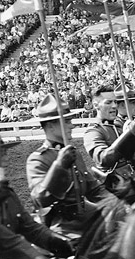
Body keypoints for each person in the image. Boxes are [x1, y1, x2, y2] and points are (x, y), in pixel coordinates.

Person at [27, 94, 109, 238]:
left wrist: (119, 203)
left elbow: (93, 189)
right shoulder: (38, 159)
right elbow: (40, 199)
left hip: (87, 220)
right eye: (66, 121)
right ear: (50, 126)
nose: (72, 125)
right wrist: (59, 166)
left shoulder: (73, 152)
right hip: (63, 228)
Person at [82, 84, 135, 190]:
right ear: (96, 105)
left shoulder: (119, 127)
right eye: (108, 102)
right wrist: (133, 128)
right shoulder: (93, 132)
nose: (114, 106)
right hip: (117, 187)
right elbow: (103, 159)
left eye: (115, 102)